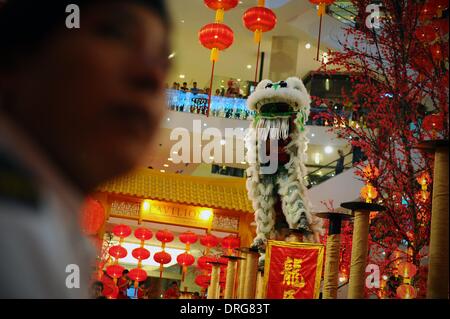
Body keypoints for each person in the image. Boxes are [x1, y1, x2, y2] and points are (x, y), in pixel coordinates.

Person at [0, 0, 170, 298]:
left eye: (163, 63)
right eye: (115, 34)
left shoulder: (51, 219)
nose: (152, 77)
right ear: (15, 59)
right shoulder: (14, 222)